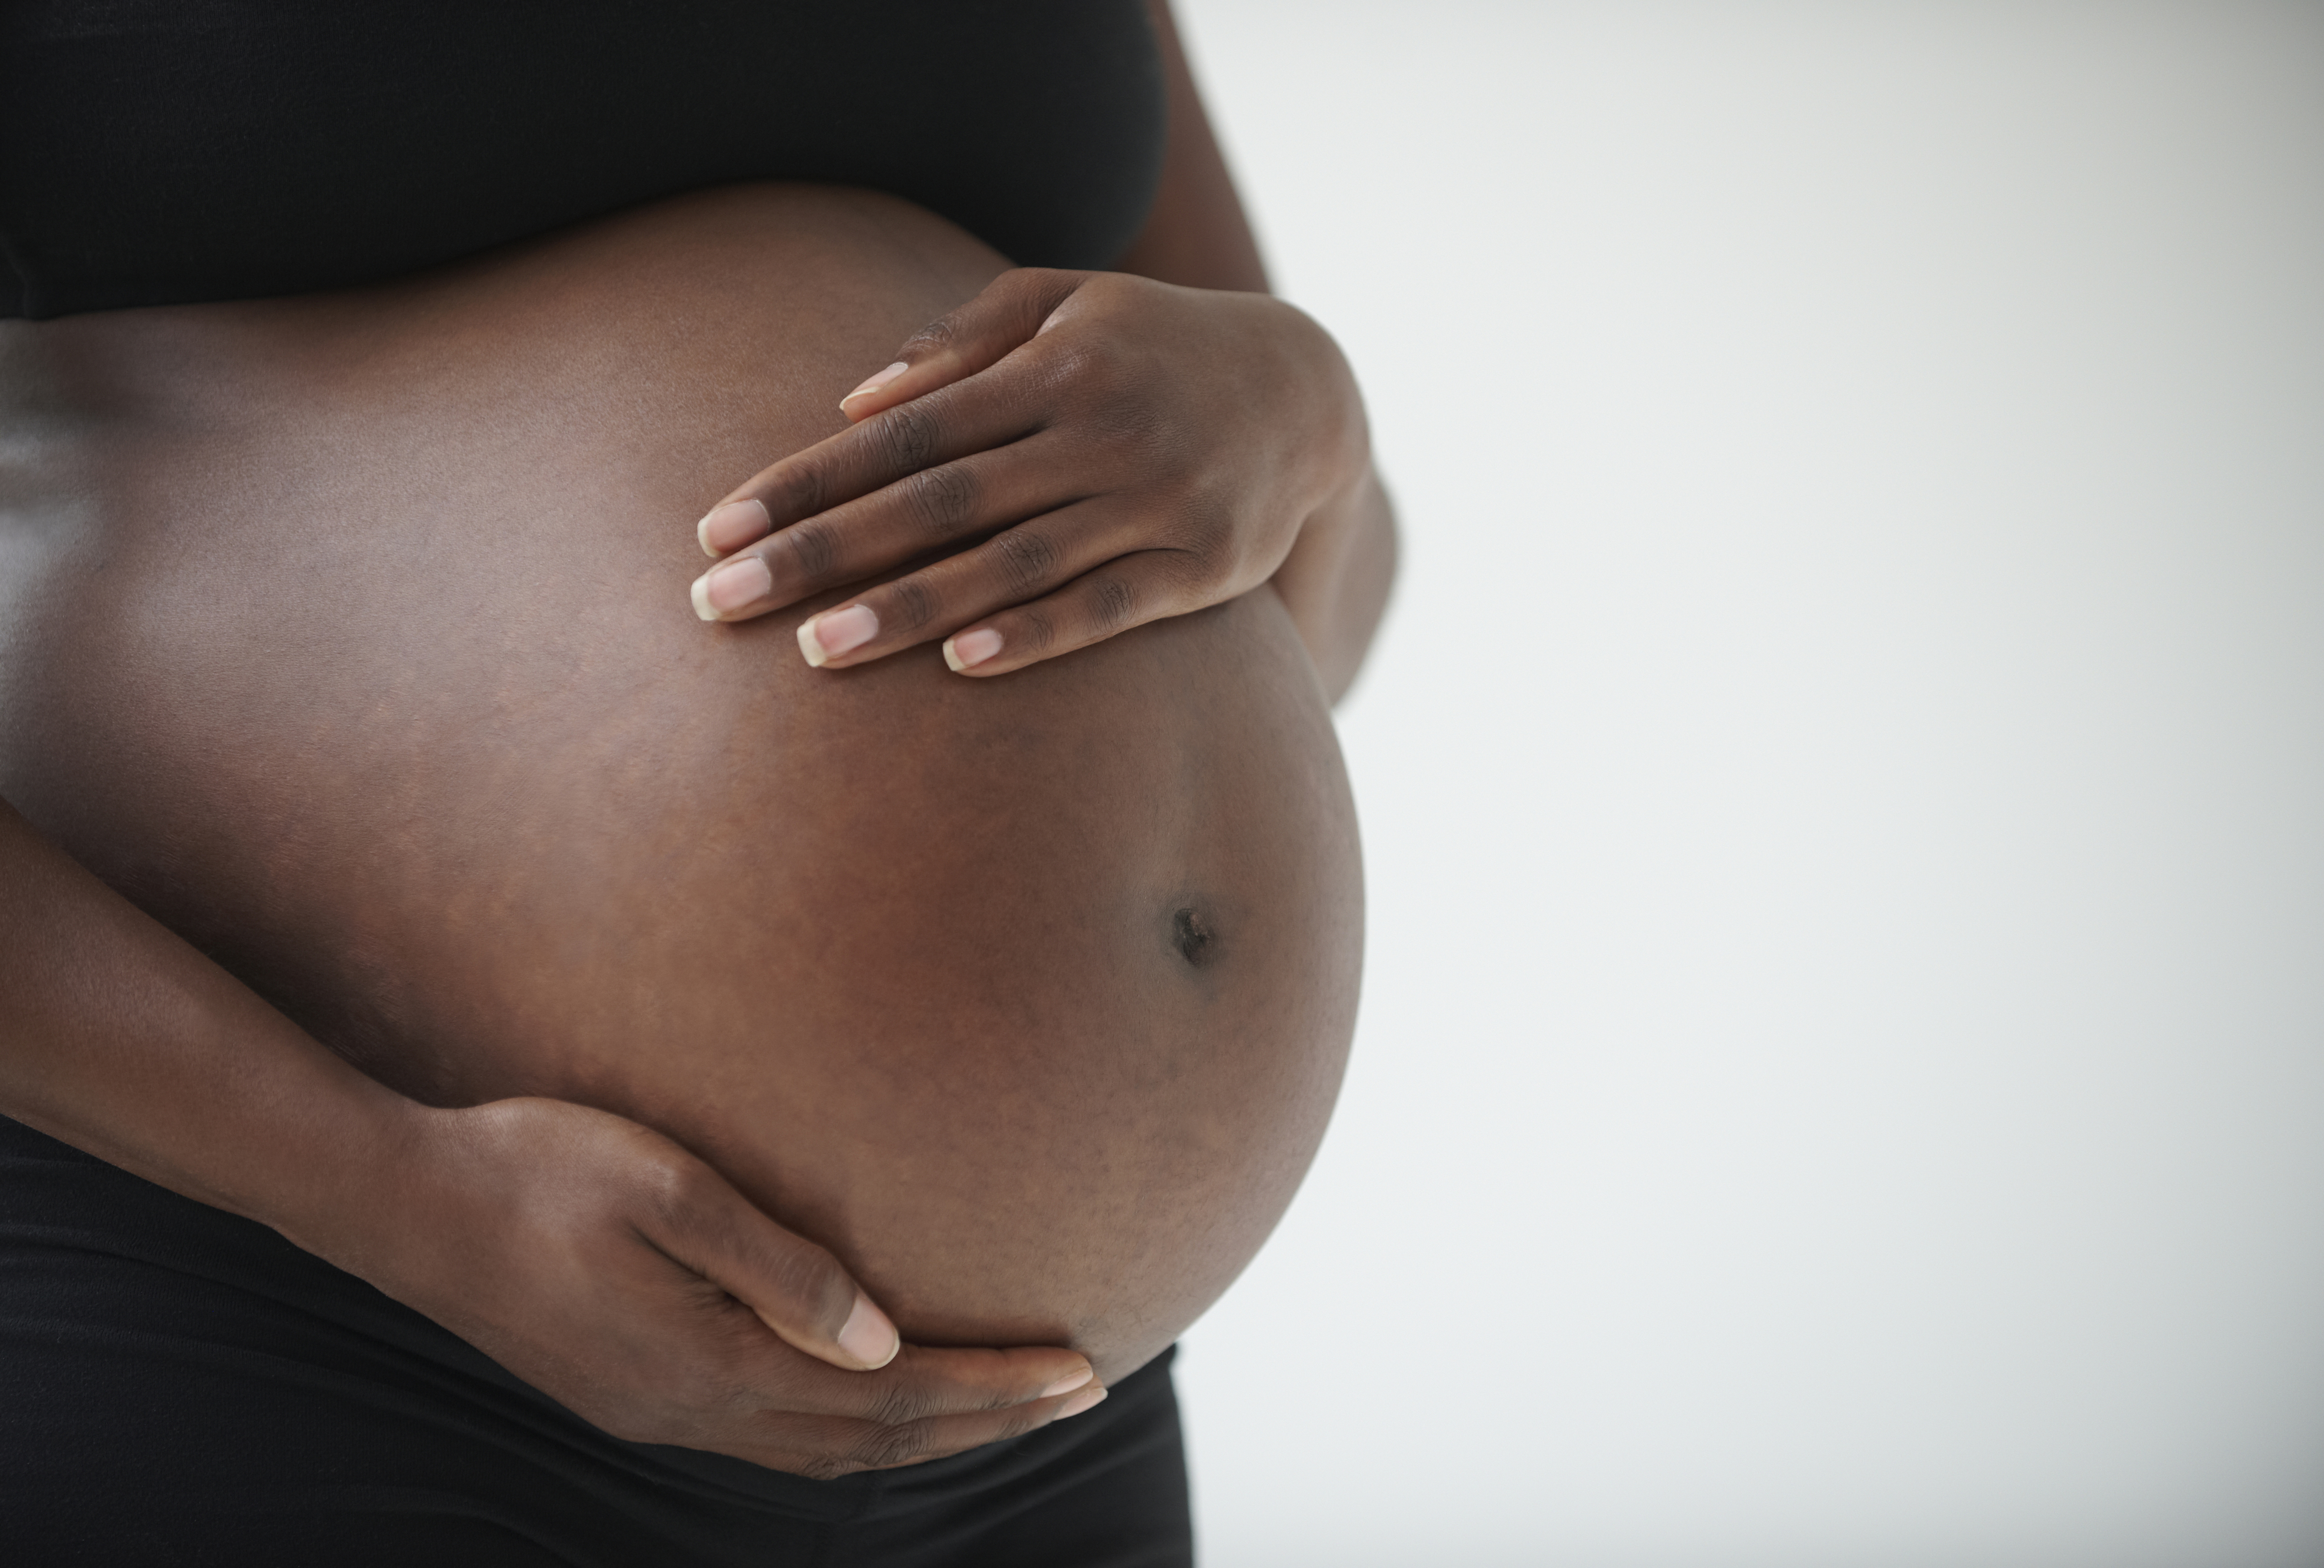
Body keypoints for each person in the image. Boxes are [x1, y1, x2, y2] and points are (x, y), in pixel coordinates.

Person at [0, 1, 1395, 1562]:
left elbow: (1311, 606)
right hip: (307, 1300)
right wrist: (400, 1198)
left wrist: (1311, 424)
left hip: (1043, 1430)